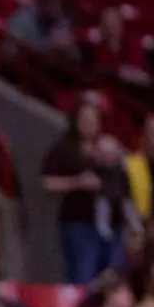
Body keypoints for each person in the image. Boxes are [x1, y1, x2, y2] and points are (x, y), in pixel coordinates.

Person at [42, 102, 108, 285]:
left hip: (106, 225)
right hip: (77, 222)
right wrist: (76, 182)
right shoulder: (64, 148)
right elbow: (47, 182)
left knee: (105, 278)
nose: (89, 124)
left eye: (93, 120)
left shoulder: (106, 149)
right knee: (82, 275)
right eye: (84, 119)